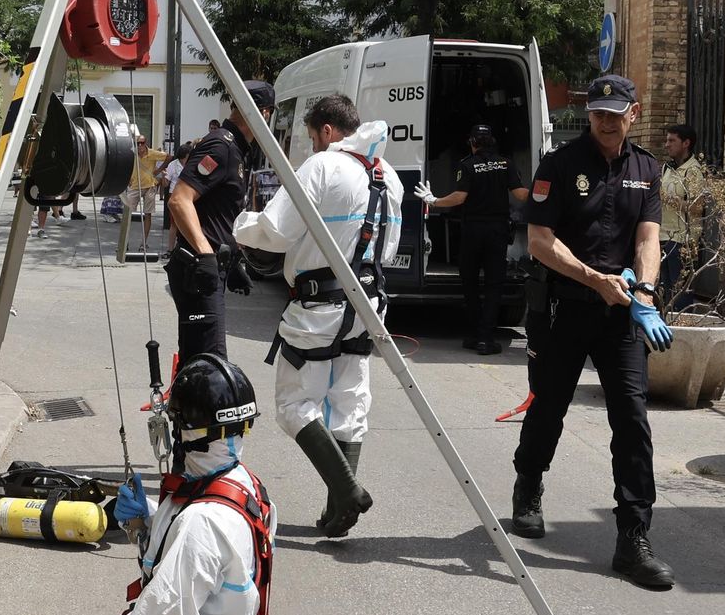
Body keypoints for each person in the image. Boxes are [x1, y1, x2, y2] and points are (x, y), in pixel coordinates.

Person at [15, 354, 275, 615]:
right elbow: (218, 559)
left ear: (188, 432)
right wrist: (152, 516)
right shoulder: (243, 488)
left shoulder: (201, 524)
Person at [511, 74, 677, 590]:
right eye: (597, 112)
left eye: (615, 112)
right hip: (564, 308)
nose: (605, 121)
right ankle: (529, 482)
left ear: (635, 113)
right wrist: (594, 279)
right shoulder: (559, 165)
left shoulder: (647, 169)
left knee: (631, 418)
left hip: (620, 314)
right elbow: (540, 241)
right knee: (549, 406)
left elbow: (649, 237)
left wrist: (645, 293)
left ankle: (633, 536)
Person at [235, 94, 402, 538]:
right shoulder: (389, 176)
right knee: (349, 402)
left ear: (328, 131)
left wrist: (239, 224)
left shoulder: (323, 166)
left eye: (312, 137)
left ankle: (345, 491)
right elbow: (389, 248)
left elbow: (277, 231)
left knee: (293, 406)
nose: (311, 146)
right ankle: (336, 512)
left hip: (319, 305)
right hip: (367, 306)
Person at [165, 83, 277, 361]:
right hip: (197, 270)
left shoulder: (237, 148)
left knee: (200, 359)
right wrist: (206, 255)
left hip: (208, 269)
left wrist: (234, 259)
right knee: (210, 362)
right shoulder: (222, 145)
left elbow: (219, 213)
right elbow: (179, 200)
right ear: (263, 113)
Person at [416, 124, 529, 354]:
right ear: (493, 141)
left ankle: (476, 335)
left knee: (469, 282)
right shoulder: (505, 164)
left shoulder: (467, 165)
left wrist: (433, 200)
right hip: (497, 231)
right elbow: (520, 195)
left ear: (472, 143)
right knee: (494, 284)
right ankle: (485, 338)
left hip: (473, 231)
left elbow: (459, 198)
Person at [659, 123, 705, 307]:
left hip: (682, 240)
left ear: (686, 143)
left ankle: (683, 331)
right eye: (666, 140)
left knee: (680, 293)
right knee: (665, 291)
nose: (667, 145)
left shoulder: (693, 171)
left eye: (672, 140)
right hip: (663, 235)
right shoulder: (667, 168)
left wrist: (668, 199)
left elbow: (697, 208)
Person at [123, 133, 169, 248]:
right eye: (137, 143)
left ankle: (144, 242)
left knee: (147, 214)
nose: (139, 146)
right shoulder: (132, 154)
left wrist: (158, 170)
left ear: (146, 143)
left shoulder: (152, 153)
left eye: (142, 143)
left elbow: (169, 157)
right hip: (134, 186)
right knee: (128, 214)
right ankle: (125, 242)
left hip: (149, 186)